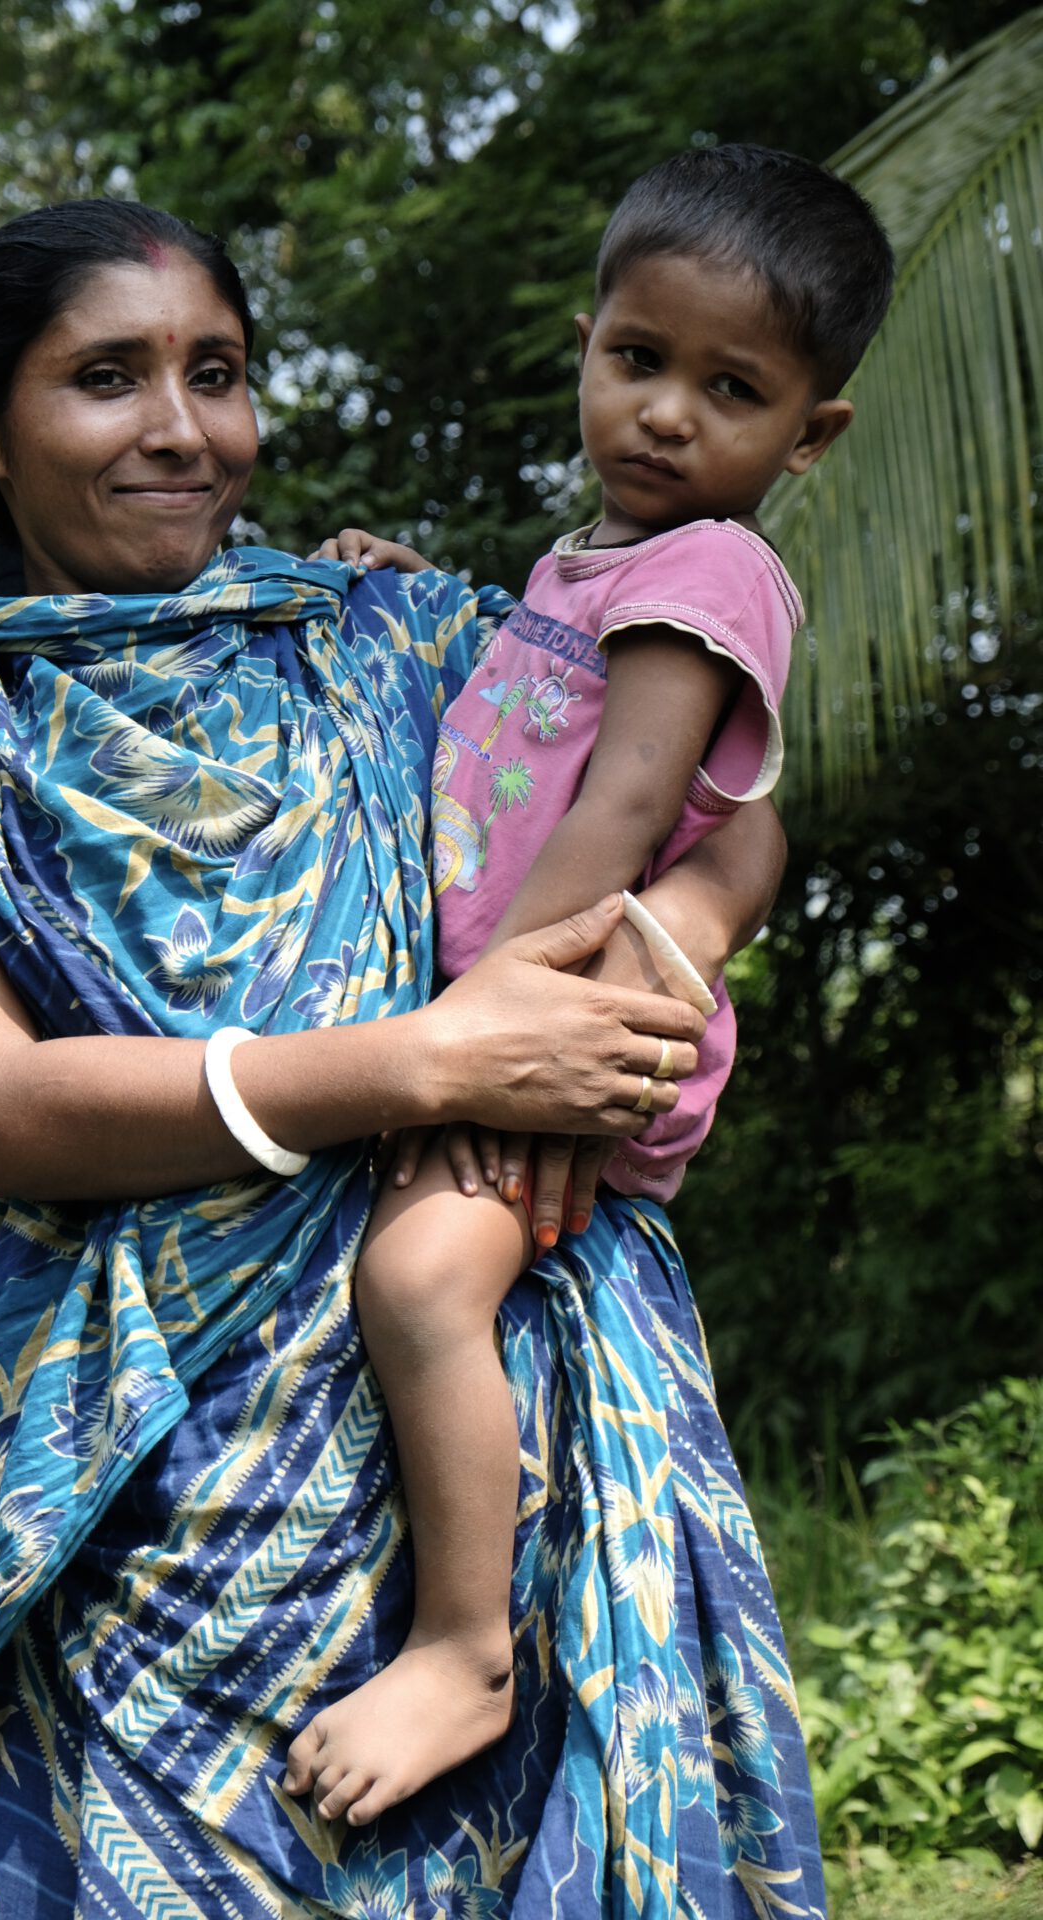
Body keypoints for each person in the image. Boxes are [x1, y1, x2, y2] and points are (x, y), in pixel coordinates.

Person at [0, 197, 818, 1918]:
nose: (181, 429)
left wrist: (643, 975)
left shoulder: (385, 639)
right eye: (107, 380)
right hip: (142, 1499)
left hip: (493, 1445)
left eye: (215, 373)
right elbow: (7, 1114)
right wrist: (439, 1062)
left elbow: (726, 811)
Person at [285, 145, 894, 1829]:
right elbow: (527, 723)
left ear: (811, 435)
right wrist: (419, 588)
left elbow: (623, 810)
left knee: (420, 1280)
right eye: (638, 360)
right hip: (521, 1011)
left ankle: (464, 1650)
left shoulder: (714, 579)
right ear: (586, 345)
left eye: (733, 390)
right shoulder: (596, 568)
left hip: (571, 1017)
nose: (668, 416)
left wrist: (478, 1038)